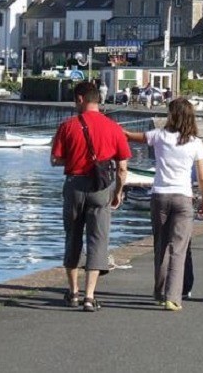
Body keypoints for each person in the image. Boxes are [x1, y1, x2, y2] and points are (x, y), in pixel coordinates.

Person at [50, 81, 131, 312]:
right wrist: (117, 193)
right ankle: (89, 296)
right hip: (101, 189)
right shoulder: (114, 127)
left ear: (79, 99)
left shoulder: (67, 126)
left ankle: (73, 292)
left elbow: (54, 160)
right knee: (98, 240)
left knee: (72, 237)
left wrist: (75, 160)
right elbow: (122, 167)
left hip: (74, 186)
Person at [124, 98, 203, 311]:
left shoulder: (159, 136)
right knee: (178, 249)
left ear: (172, 115)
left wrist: (114, 130)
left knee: (160, 246)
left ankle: (160, 292)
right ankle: (173, 297)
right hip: (183, 198)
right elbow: (202, 176)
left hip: (160, 195)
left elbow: (132, 137)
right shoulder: (195, 143)